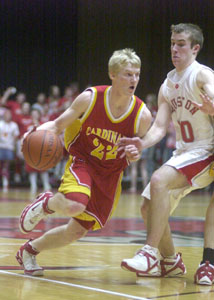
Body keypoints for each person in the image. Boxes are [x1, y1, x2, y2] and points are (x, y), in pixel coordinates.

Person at [16, 48, 152, 276]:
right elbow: (58, 125)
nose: (134, 79)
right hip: (84, 161)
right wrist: (32, 134)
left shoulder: (142, 114)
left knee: (76, 232)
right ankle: (47, 203)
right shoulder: (90, 98)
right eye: (128, 74)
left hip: (110, 174)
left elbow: (136, 150)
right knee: (75, 204)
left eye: (137, 74)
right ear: (112, 74)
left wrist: (134, 152)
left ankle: (30, 250)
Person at [119, 23, 214, 285]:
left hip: (207, 151)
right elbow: (160, 127)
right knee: (147, 207)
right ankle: (171, 262)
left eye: (181, 44)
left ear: (195, 48)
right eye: (172, 43)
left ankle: (149, 253)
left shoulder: (203, 76)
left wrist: (213, 108)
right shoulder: (168, 84)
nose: (174, 48)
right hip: (185, 152)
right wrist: (141, 142)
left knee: (159, 179)